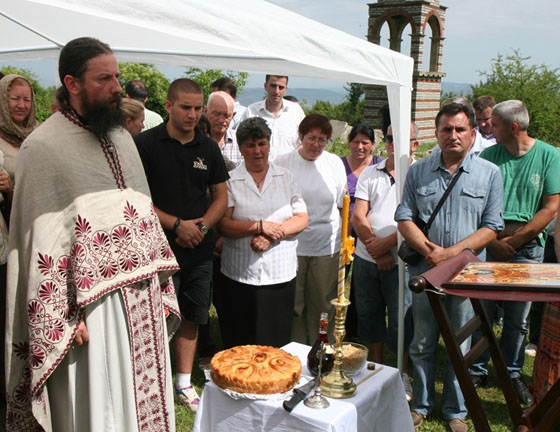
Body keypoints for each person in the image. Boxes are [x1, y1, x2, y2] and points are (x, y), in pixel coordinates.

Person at [5, 37, 181, 431]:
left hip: (141, 300)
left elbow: (140, 212)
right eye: (104, 78)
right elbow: (41, 242)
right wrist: (63, 315)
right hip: (89, 311)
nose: (118, 87)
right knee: (101, 405)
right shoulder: (42, 148)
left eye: (117, 76)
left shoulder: (121, 137)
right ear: (72, 83)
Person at [395, 100, 504, 432]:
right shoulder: (418, 171)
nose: (453, 135)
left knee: (461, 345)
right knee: (422, 341)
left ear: (472, 134)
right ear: (437, 133)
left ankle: (457, 411)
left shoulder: (490, 174)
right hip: (424, 276)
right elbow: (404, 217)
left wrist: (451, 253)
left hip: (466, 275)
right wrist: (430, 250)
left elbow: (492, 226)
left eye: (460, 129)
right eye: (446, 129)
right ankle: (422, 405)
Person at [135, 78, 229, 412]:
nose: (192, 114)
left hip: (199, 248)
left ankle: (183, 383)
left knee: (193, 314)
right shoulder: (145, 145)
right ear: (169, 106)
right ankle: (151, 380)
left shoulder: (208, 148)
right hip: (156, 249)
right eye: (185, 107)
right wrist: (176, 224)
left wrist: (201, 226)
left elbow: (221, 196)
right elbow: (135, 199)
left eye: (197, 108)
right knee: (155, 316)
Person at [469, 100, 560, 405]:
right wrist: (493, 241)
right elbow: (479, 202)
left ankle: (511, 371)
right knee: (484, 311)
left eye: (493, 124)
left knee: (518, 318)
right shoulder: (489, 156)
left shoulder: (549, 156)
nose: (488, 129)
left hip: (527, 249)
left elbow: (550, 206)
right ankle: (478, 369)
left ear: (514, 127)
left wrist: (517, 240)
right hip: (490, 244)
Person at [216, 117, 308, 347]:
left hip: (280, 274)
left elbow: (302, 218)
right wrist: (258, 226)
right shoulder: (230, 181)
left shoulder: (286, 177)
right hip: (240, 274)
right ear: (241, 148)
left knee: (275, 339)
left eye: (262, 143)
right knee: (240, 337)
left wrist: (269, 234)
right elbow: (224, 225)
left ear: (269, 144)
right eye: (250, 145)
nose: (257, 151)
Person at [351, 121, 418, 401]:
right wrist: (376, 251)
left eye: (402, 139)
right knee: (369, 312)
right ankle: (376, 367)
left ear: (415, 143)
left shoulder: (420, 173)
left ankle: (401, 372)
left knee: (401, 316)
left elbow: (417, 218)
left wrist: (388, 247)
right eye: (390, 138)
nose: (394, 144)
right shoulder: (371, 172)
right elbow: (358, 215)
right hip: (367, 257)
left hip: (401, 260)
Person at [275, 114, 347, 344]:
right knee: (294, 303)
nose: (316, 145)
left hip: (326, 245)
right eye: (311, 138)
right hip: (292, 244)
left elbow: (341, 204)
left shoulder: (334, 163)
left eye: (322, 140)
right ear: (301, 136)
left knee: (323, 304)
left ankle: (322, 349)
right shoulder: (282, 162)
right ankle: (294, 348)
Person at [340, 122, 383, 341]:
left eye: (365, 142)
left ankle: (354, 330)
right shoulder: (339, 166)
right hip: (343, 232)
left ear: (373, 145)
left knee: (360, 285)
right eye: (355, 141)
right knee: (340, 279)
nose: (360, 146)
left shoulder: (380, 166)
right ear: (349, 143)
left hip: (368, 233)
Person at [241, 75, 305, 160]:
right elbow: (241, 141)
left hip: (290, 169)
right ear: (265, 86)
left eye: (281, 87)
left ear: (286, 89)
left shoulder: (296, 111)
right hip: (260, 169)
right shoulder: (251, 111)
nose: (276, 91)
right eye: (273, 86)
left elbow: (305, 141)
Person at [206, 91, 242, 166]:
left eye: (226, 115)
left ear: (233, 116)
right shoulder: (195, 140)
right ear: (206, 111)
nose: (221, 120)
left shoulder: (240, 141)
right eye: (216, 114)